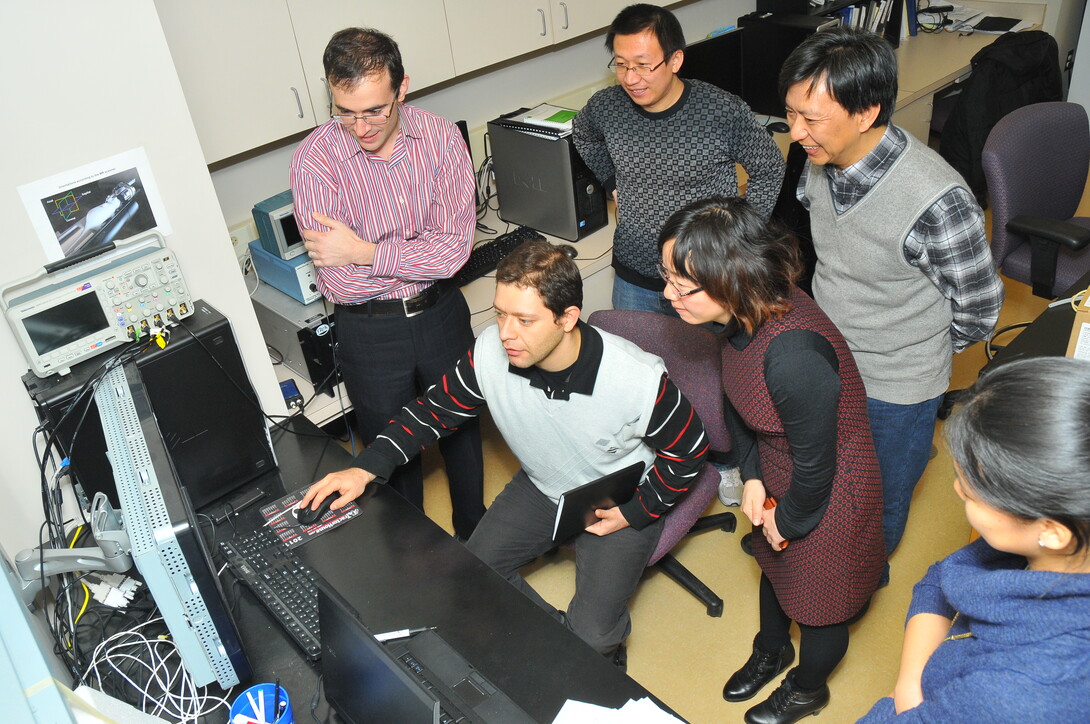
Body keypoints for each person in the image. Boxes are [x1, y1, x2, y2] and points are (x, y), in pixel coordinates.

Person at [299, 239, 707, 662]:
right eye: (500, 313)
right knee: (471, 578)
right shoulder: (489, 353)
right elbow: (432, 412)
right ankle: (562, 642)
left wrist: (635, 512)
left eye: (525, 320)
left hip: (618, 496)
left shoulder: (635, 379)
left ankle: (597, 652)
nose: (505, 334)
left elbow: (691, 450)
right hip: (542, 483)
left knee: (593, 638)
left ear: (568, 318)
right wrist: (365, 468)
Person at [778, 28, 1004, 582]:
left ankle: (859, 577)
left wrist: (914, 345)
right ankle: (818, 545)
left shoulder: (936, 202)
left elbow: (980, 309)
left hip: (898, 382)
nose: (795, 132)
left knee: (880, 497)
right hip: (828, 355)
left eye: (811, 118)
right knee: (824, 470)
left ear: (867, 111)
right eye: (790, 114)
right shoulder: (817, 157)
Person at [659, 197, 883, 724]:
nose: (669, 297)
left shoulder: (794, 354)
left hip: (830, 488)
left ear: (733, 278)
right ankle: (773, 649)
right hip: (781, 467)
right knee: (775, 567)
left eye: (684, 287)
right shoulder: (741, 315)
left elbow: (817, 463)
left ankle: (808, 689)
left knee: (821, 604)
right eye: (668, 278)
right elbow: (740, 406)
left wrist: (789, 519)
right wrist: (753, 477)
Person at [289, 28, 484, 539]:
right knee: (389, 458)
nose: (360, 126)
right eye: (345, 111)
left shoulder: (441, 139)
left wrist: (363, 251)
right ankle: (413, 564)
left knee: (463, 433)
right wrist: (412, 256)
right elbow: (339, 284)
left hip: (442, 313)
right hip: (369, 332)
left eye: (374, 109)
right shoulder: (314, 160)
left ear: (403, 88)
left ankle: (479, 546)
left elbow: (454, 254)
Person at [858, 357, 1090, 722]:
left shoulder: (1024, 693)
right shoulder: (1061, 545)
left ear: (1053, 532)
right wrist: (910, 684)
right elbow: (942, 579)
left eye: (971, 495)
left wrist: (904, 701)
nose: (956, 490)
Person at [573, 3, 785, 316]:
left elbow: (769, 169)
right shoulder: (607, 106)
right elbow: (583, 135)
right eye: (621, 65)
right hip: (636, 276)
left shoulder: (721, 111)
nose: (631, 78)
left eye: (643, 65)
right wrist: (612, 182)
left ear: (675, 60)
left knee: (708, 365)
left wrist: (738, 241)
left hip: (705, 282)